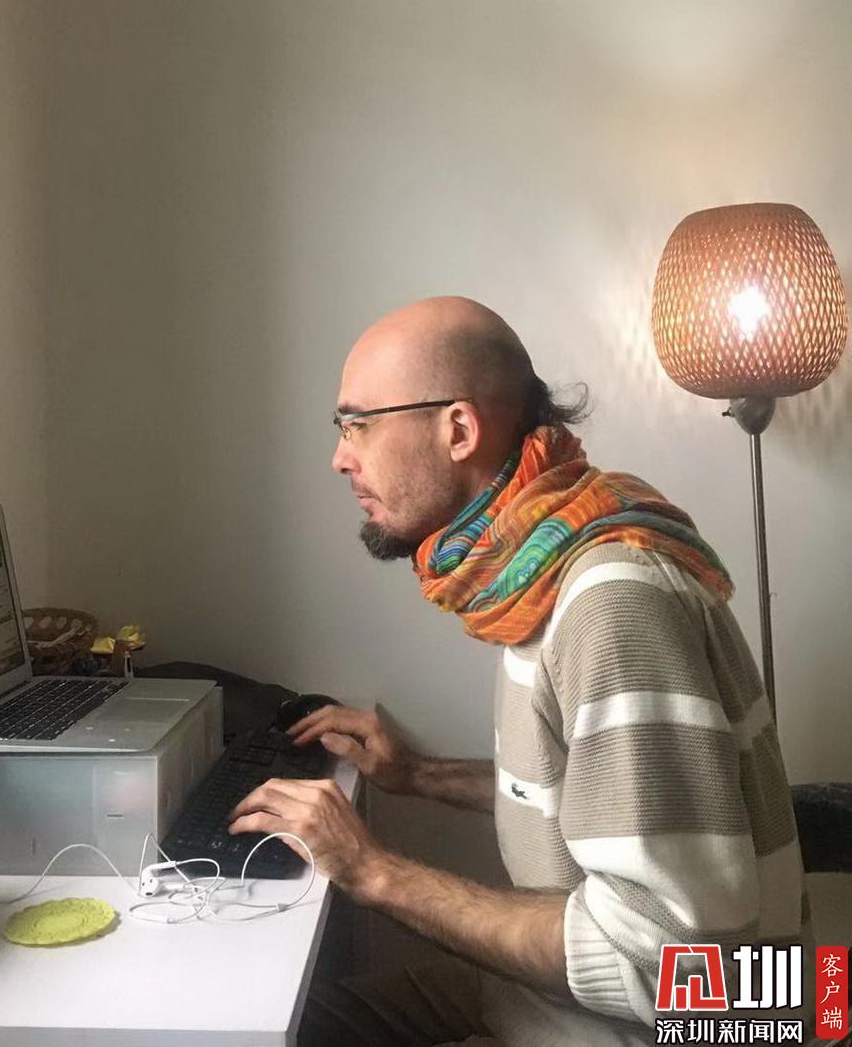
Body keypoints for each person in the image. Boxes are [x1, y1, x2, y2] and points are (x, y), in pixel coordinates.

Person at [227, 297, 811, 1046]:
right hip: (552, 1005)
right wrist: (420, 775)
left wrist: (372, 870)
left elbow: (673, 964)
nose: (341, 457)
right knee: (285, 1022)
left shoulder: (610, 602)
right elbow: (595, 797)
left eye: (357, 423)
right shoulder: (541, 560)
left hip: (642, 1029)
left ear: (458, 430)